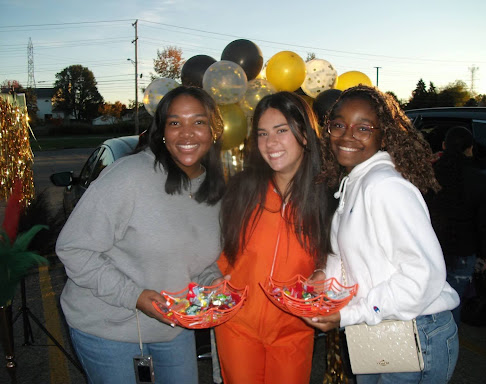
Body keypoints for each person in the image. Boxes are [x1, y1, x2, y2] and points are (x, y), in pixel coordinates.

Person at [55, 86, 226, 384]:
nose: (187, 134)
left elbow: (197, 261)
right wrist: (133, 296)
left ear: (214, 131)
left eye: (198, 122)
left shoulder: (215, 189)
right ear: (161, 131)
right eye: (175, 123)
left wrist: (212, 284)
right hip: (107, 327)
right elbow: (74, 249)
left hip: (172, 327)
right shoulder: (128, 176)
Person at [304, 85, 460, 384]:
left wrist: (348, 314)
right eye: (338, 124)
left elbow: (423, 275)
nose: (347, 135)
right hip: (375, 327)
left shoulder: (385, 186)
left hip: (414, 331)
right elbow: (349, 255)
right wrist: (325, 277)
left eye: (363, 127)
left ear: (384, 135)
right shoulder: (355, 181)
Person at [215, 92, 334, 384]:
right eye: (263, 134)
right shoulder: (242, 189)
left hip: (294, 330)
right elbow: (222, 253)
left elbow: (339, 256)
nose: (271, 144)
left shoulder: (327, 195)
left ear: (304, 134)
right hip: (237, 327)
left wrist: (323, 272)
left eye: (282, 130)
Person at [425, 126, 486, 325]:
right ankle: (448, 342)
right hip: (463, 250)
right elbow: (483, 222)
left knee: (428, 300)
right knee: (453, 304)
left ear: (444, 146)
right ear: (470, 149)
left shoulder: (431, 174)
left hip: (433, 248)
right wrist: (484, 253)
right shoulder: (479, 180)